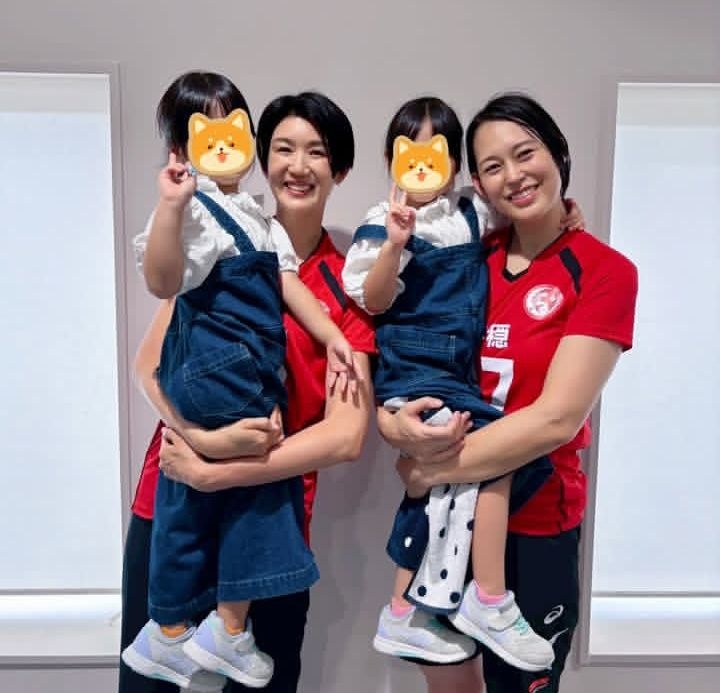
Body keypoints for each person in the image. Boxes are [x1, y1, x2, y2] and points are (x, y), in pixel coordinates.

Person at [377, 92, 638, 693]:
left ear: (558, 153)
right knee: (448, 685)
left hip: (535, 523)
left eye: (526, 154)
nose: (514, 176)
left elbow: (556, 420)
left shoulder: (604, 270)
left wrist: (425, 470)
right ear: (477, 185)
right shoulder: (464, 261)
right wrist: (393, 428)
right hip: (444, 517)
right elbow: (404, 357)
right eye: (494, 166)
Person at [119, 90, 375, 693]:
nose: (298, 165)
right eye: (283, 149)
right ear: (258, 157)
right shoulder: (215, 237)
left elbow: (344, 437)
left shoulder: (349, 288)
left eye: (317, 152)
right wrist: (205, 442)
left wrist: (224, 470)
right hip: (172, 498)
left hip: (268, 521)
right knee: (152, 681)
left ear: (339, 170)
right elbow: (149, 369)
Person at [342, 96, 560, 671]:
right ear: (392, 160)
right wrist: (395, 244)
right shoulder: (380, 222)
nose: (422, 165)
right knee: (495, 456)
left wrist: (569, 211)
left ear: (455, 164)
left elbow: (522, 215)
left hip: (456, 373)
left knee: (447, 485)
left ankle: (403, 609)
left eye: (435, 151)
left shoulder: (470, 213)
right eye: (409, 151)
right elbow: (373, 299)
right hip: (413, 373)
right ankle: (487, 598)